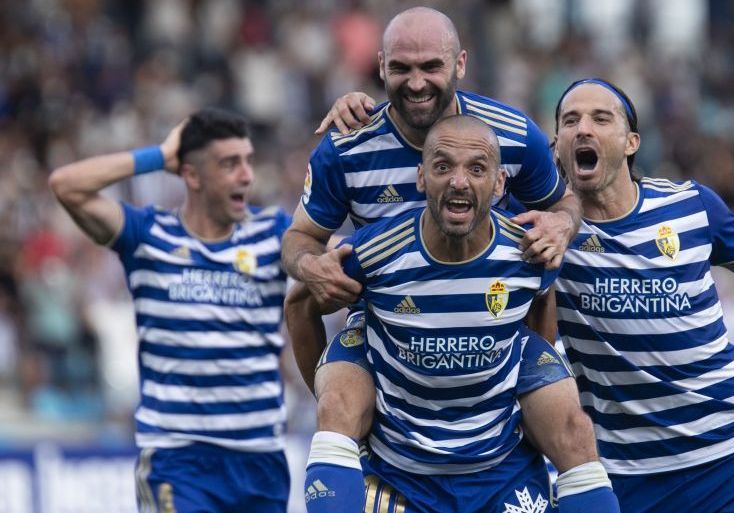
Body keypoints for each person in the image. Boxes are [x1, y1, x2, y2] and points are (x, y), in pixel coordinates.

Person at [282, 6, 604, 513]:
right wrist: (310, 267)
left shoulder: (511, 135)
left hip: (488, 320)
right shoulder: (348, 146)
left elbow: (559, 216)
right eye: (401, 69)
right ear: (381, 65)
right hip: (390, 323)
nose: (416, 83)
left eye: (431, 66)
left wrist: (563, 222)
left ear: (460, 64)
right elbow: (298, 242)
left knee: (573, 428)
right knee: (337, 405)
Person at [48, 108, 291, 513]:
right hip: (179, 460)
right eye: (230, 164)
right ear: (192, 176)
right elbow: (66, 185)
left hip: (261, 459)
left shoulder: (274, 234)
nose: (246, 175)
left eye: (248, 161)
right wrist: (160, 157)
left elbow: (342, 257)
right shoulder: (147, 235)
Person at [552, 78, 734, 513]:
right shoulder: (549, 234)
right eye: (570, 120)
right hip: (625, 474)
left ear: (631, 142)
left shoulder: (693, 206)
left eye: (600, 118)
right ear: (555, 144)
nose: (583, 129)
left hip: (723, 456)